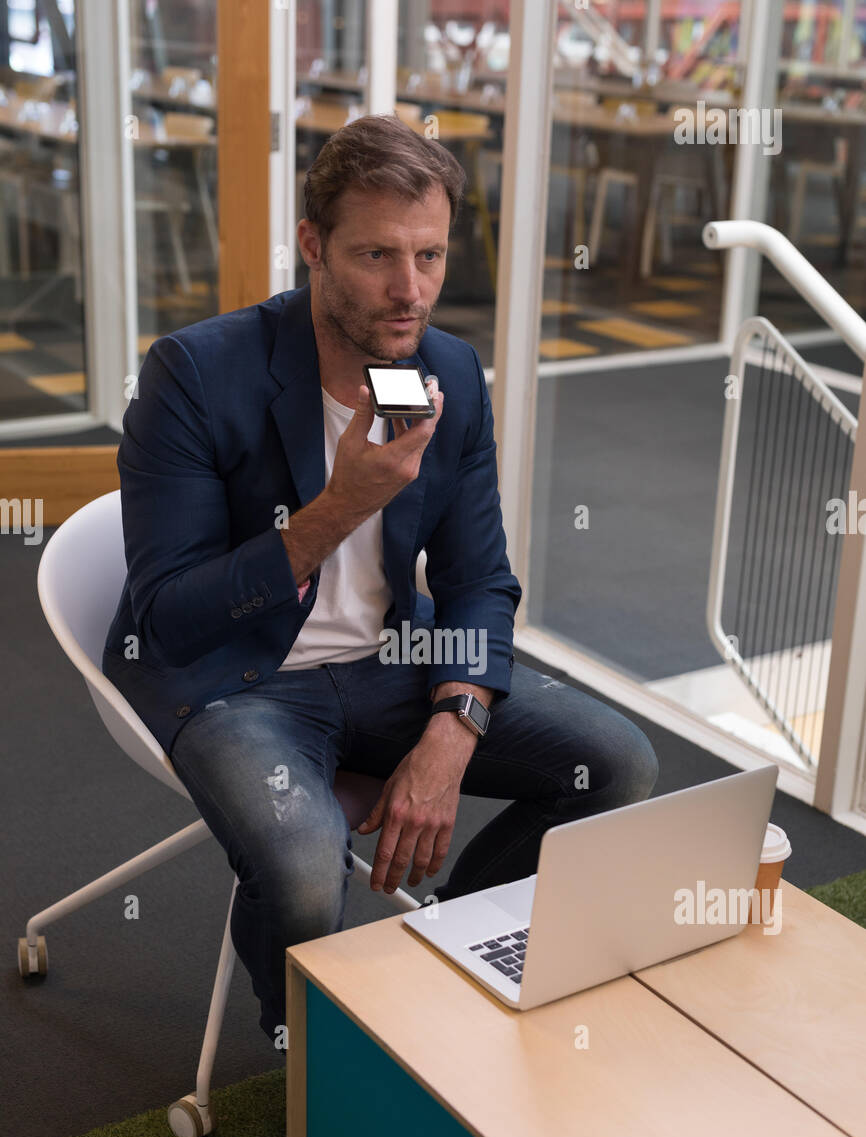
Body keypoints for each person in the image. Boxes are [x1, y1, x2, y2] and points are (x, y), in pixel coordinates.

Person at [103, 114, 658, 1044]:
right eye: (377, 257)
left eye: (432, 256)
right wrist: (334, 510)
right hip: (240, 680)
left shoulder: (447, 373)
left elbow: (483, 581)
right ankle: (309, 1064)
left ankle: (435, 967)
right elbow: (168, 621)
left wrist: (456, 725)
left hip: (393, 660)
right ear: (312, 247)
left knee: (617, 765)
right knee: (303, 861)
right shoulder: (195, 375)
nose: (412, 292)